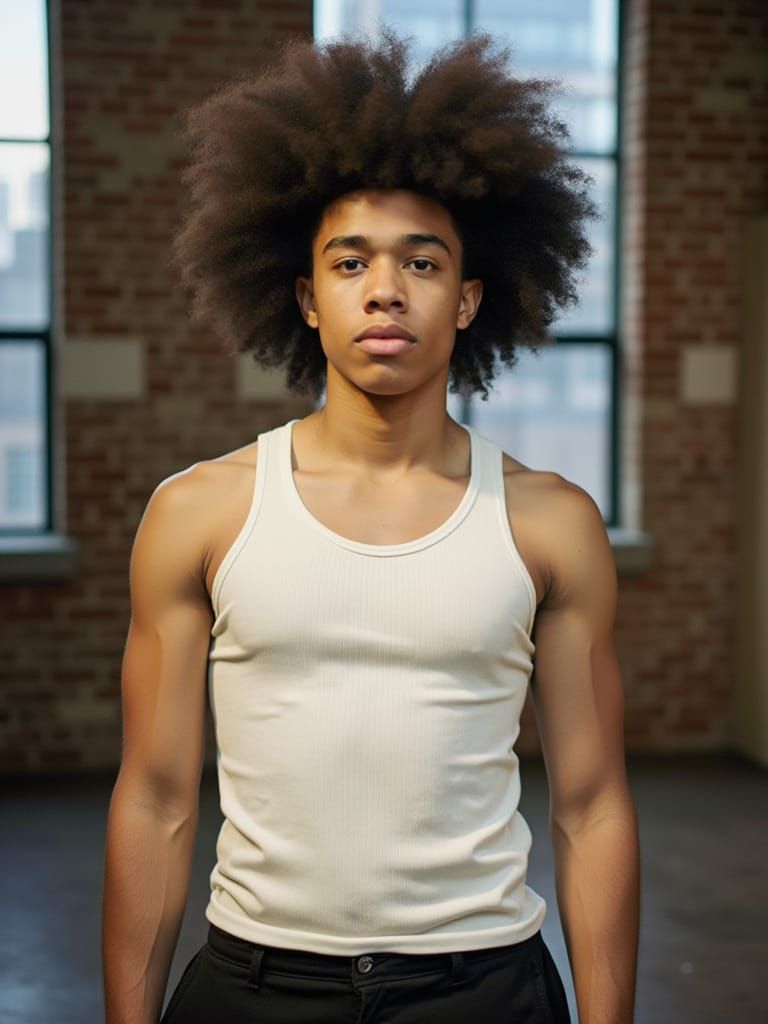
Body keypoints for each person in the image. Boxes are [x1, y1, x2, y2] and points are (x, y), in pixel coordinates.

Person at [101, 29, 640, 1024]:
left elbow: (593, 803)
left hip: (483, 986)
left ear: (470, 297)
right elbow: (156, 797)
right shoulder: (200, 512)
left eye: (422, 262)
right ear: (307, 298)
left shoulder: (550, 523)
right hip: (252, 984)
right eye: (350, 262)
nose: (385, 288)